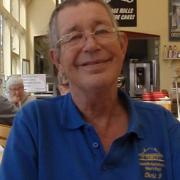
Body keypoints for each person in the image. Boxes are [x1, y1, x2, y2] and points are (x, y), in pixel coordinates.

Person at [0, 0, 180, 179]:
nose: (91, 45)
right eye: (73, 37)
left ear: (122, 45)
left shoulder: (163, 126)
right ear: (57, 60)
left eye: (101, 31)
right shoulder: (35, 125)